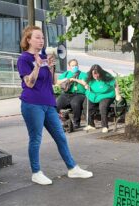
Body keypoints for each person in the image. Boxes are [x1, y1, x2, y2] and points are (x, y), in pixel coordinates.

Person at [17, 26, 93, 185]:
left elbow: (52, 82)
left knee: (61, 136)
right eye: (37, 37)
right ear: (28, 39)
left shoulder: (43, 56)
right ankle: (36, 172)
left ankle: (73, 168)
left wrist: (51, 67)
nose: (41, 40)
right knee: (36, 139)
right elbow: (29, 83)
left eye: (42, 38)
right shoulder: (24, 58)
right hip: (32, 104)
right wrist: (37, 66)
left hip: (48, 103)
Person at [83, 65, 117, 133]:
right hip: (93, 94)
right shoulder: (88, 75)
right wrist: (86, 85)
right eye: (94, 75)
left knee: (103, 107)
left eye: (97, 74)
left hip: (106, 94)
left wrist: (118, 95)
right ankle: (91, 124)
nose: (96, 77)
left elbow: (115, 84)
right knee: (86, 105)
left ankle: (105, 126)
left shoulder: (107, 76)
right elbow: (83, 81)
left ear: (100, 73)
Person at [56, 59, 87, 129]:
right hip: (66, 93)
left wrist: (75, 80)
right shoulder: (66, 73)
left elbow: (85, 83)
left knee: (75, 104)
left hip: (79, 94)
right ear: (69, 66)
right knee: (57, 104)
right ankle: (61, 121)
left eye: (76, 65)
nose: (75, 67)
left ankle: (76, 122)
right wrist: (67, 79)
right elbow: (58, 82)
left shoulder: (83, 74)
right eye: (73, 66)